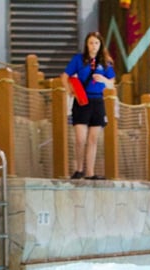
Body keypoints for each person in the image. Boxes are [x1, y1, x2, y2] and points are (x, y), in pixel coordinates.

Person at [61, 31, 115, 180]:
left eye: (96, 43)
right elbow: (65, 76)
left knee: (93, 139)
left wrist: (103, 79)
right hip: (82, 101)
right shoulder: (79, 59)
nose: (93, 46)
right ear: (86, 44)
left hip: (97, 101)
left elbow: (111, 83)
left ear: (101, 45)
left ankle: (90, 172)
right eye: (91, 43)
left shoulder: (105, 62)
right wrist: (70, 91)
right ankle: (79, 169)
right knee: (80, 138)